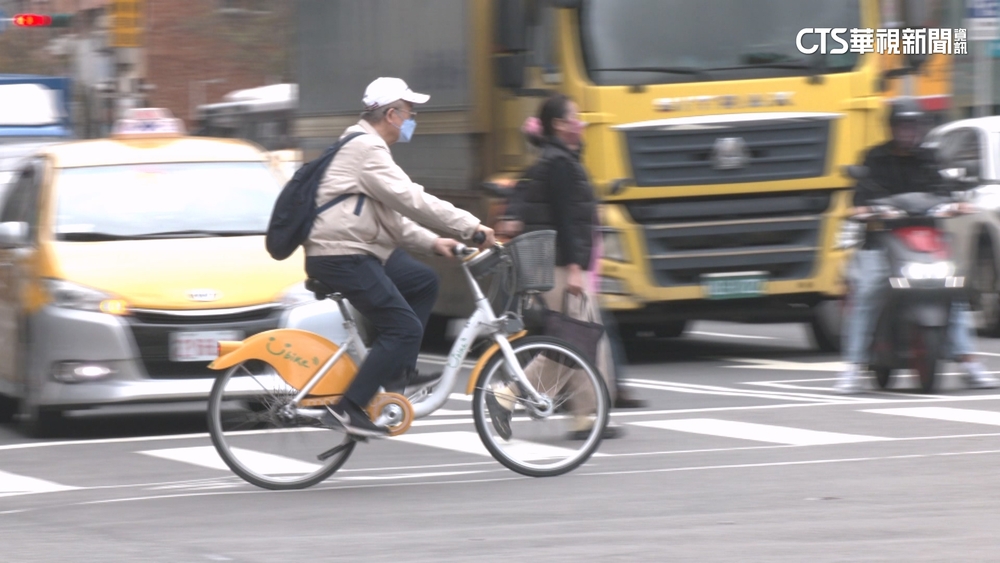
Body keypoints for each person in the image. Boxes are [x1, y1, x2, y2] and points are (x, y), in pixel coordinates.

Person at [306, 77, 495, 436]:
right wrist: (470, 226)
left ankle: (396, 374)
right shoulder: (367, 149)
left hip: (353, 247)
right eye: (410, 112)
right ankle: (347, 409)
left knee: (422, 281)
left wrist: (432, 242)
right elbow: (413, 199)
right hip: (341, 253)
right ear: (391, 114)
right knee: (403, 326)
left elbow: (391, 218)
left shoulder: (365, 146)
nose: (413, 119)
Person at [834, 97, 999, 394]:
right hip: (881, 242)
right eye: (902, 125)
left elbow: (946, 191)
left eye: (914, 125)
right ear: (892, 127)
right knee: (870, 291)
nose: (908, 131)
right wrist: (868, 211)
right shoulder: (874, 159)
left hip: (927, 242)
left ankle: (969, 362)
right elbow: (858, 201)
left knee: (954, 291)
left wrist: (957, 205)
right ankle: (853, 366)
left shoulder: (930, 158)